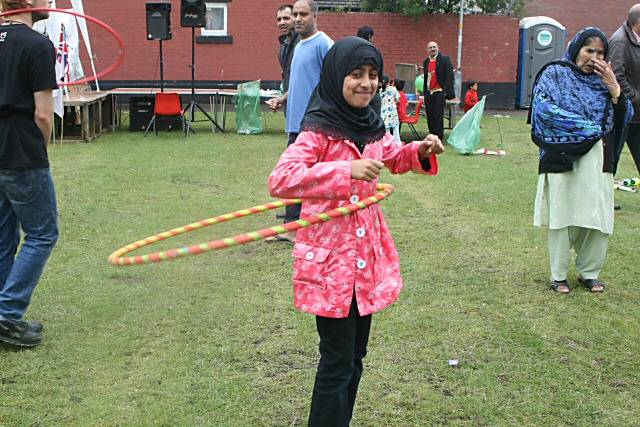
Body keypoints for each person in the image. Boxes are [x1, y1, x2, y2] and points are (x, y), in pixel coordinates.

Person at [268, 37, 443, 427]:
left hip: (364, 262)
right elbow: (281, 179)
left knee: (355, 358)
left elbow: (393, 157)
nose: (366, 83)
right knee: (336, 362)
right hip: (331, 265)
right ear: (335, 77)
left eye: (373, 75)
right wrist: (344, 170)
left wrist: (422, 151)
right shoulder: (317, 131)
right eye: (356, 75)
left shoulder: (372, 126)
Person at [530, 27, 633, 294]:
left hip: (600, 159)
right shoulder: (555, 74)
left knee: (598, 217)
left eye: (600, 52)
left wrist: (615, 90)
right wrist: (590, 130)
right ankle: (559, 274)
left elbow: (625, 115)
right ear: (576, 49)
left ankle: (590, 272)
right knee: (563, 216)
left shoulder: (606, 81)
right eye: (589, 51)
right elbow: (544, 111)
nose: (594, 57)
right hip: (563, 158)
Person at [0, 0, 59, 346]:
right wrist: (42, 149)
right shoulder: (37, 45)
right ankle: (7, 314)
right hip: (20, 150)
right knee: (42, 234)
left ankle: (4, 316)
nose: (50, 2)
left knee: (4, 236)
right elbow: (42, 114)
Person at [269, 0, 332, 242]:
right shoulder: (300, 46)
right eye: (294, 14)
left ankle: (293, 228)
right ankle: (295, 225)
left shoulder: (323, 43)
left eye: (303, 14)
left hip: (313, 123)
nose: (297, 19)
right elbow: (298, 83)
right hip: (296, 121)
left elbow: (333, 80)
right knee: (300, 174)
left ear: (315, 16)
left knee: (293, 172)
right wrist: (283, 99)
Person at [608, 3, 640, 175]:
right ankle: (604, 200)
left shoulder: (636, 39)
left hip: (638, 116)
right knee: (611, 160)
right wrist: (636, 98)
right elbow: (616, 77)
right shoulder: (620, 42)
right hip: (624, 114)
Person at [422, 41, 455, 141]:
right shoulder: (426, 62)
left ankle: (438, 138)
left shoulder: (445, 59)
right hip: (429, 93)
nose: (432, 49)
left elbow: (450, 77)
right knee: (430, 116)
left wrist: (445, 92)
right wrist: (425, 92)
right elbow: (426, 78)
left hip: (440, 92)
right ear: (427, 50)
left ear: (438, 48)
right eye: (430, 47)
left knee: (438, 116)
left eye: (434, 47)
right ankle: (431, 137)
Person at [379, 75, 401, 143]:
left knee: (386, 131)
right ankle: (398, 145)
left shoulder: (380, 90)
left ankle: (387, 145)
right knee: (395, 130)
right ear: (388, 82)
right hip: (393, 113)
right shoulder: (393, 89)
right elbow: (398, 100)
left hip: (383, 113)